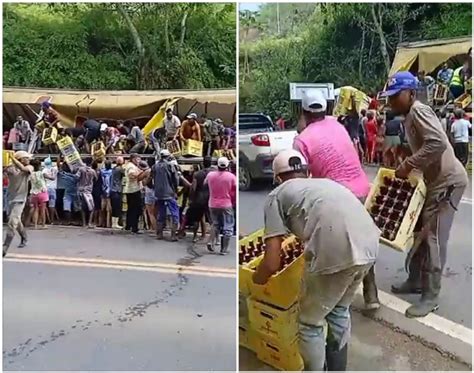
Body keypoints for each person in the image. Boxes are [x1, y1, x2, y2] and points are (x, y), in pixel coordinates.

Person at [252, 149, 380, 371]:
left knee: (309, 322)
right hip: (370, 245)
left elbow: (272, 261)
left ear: (277, 177)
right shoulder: (325, 184)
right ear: (306, 172)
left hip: (337, 251)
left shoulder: (277, 195)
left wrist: (256, 280)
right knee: (339, 310)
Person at [382, 71, 469, 318]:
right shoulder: (409, 115)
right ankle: (415, 280)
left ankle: (431, 296)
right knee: (419, 228)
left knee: (432, 237)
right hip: (434, 182)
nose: (390, 102)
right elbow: (425, 145)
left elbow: (438, 144)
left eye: (395, 96)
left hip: (448, 183)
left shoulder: (419, 111)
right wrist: (401, 151)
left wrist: (408, 164)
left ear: (410, 93)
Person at [293, 90, 379, 310]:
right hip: (362, 189)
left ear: (302, 111)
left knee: (336, 247)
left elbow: (301, 179)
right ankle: (371, 296)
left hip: (338, 196)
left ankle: (336, 300)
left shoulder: (302, 140)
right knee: (362, 240)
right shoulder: (336, 125)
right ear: (326, 109)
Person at [3, 151, 34, 256]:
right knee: (16, 221)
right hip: (10, 198)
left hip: (20, 199)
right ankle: (24, 236)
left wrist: (12, 158)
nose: (29, 160)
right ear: (21, 159)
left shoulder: (29, 167)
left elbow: (23, 169)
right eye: (26, 158)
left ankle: (4, 248)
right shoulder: (11, 168)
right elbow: (5, 173)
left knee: (12, 223)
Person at [205, 157, 236, 255]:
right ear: (227, 166)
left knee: (215, 224)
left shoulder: (210, 175)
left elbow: (205, 183)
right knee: (228, 226)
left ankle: (210, 241)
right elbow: (234, 189)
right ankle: (224, 249)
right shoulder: (231, 176)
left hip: (212, 204)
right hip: (226, 204)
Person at [179, 156, 213, 242]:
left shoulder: (197, 174)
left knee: (196, 219)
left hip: (199, 198)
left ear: (202, 163)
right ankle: (212, 238)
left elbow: (193, 188)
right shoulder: (214, 173)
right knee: (211, 220)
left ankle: (195, 236)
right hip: (210, 197)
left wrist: (191, 198)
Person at [152, 149, 180, 241]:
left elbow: (153, 178)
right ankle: (173, 235)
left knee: (160, 212)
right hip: (169, 193)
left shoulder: (155, 166)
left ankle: (159, 234)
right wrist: (175, 190)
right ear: (168, 156)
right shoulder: (170, 165)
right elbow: (175, 179)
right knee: (174, 213)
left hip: (158, 193)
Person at [124, 154, 149, 234]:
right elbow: (131, 174)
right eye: (137, 159)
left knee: (131, 209)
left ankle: (128, 226)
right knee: (136, 210)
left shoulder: (133, 166)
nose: (139, 161)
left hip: (132, 189)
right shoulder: (131, 166)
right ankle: (134, 228)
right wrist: (141, 174)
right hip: (134, 190)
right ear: (133, 159)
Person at [76, 158, 97, 228]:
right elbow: (96, 178)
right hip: (88, 191)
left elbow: (76, 177)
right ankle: (89, 223)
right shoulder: (92, 171)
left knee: (82, 208)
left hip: (80, 190)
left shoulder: (81, 169)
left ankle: (84, 223)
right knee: (92, 208)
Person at [28, 159, 49, 229]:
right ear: (39, 165)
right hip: (42, 192)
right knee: (43, 209)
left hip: (34, 193)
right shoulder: (42, 173)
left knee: (35, 209)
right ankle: (43, 225)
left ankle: (35, 225)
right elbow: (51, 178)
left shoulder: (30, 174)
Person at [42, 157, 59, 224]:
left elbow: (44, 175)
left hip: (46, 189)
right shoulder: (55, 169)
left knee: (44, 205)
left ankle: (46, 219)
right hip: (53, 189)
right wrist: (58, 157)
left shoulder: (44, 170)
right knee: (52, 205)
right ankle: (51, 220)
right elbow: (58, 165)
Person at [110, 156, 125, 229]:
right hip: (117, 190)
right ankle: (115, 224)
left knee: (114, 207)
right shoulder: (120, 169)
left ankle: (114, 223)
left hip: (113, 190)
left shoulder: (114, 169)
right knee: (117, 207)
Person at [100, 160, 113, 228]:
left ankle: (102, 223)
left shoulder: (102, 171)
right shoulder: (111, 172)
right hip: (109, 191)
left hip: (103, 191)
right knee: (108, 209)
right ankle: (108, 224)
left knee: (102, 208)